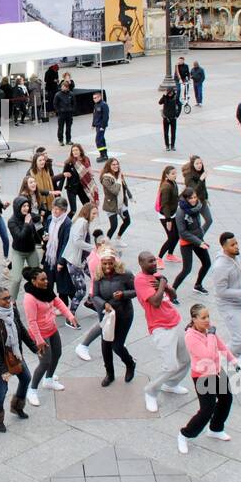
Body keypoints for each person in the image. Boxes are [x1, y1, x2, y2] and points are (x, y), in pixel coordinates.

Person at [176, 304, 236, 454]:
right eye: (203, 318)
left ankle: (215, 429)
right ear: (194, 319)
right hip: (203, 377)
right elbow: (208, 355)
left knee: (226, 399)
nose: (207, 320)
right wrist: (210, 335)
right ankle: (184, 434)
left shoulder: (208, 330)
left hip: (217, 371)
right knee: (206, 410)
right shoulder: (190, 337)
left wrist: (233, 361)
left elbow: (220, 345)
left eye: (208, 316)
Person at [135, 251, 189, 413]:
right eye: (150, 261)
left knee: (185, 359)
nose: (154, 264)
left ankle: (171, 384)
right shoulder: (140, 280)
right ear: (141, 264)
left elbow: (173, 295)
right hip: (160, 327)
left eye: (154, 261)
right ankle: (151, 391)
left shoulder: (157, 276)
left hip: (175, 320)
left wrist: (166, 286)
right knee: (170, 366)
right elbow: (156, 302)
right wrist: (162, 284)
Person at [0, 283, 37, 429]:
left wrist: (34, 348)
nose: (8, 301)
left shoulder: (12, 310)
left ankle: (17, 406)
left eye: (9, 298)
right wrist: (3, 371)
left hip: (14, 354)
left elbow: (20, 328)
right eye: (4, 299)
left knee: (26, 378)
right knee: (2, 389)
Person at [21, 266, 74, 406]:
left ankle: (49, 380)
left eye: (46, 278)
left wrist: (69, 315)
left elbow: (57, 302)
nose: (46, 281)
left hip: (52, 329)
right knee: (45, 362)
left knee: (57, 354)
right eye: (42, 279)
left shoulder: (47, 290)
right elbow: (31, 321)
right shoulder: (29, 298)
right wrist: (38, 340)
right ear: (33, 281)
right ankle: (32, 390)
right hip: (39, 335)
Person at [89, 251, 137, 387]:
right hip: (108, 315)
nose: (108, 266)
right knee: (105, 345)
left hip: (124, 314)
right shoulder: (98, 276)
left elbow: (136, 291)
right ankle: (109, 374)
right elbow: (95, 296)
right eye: (105, 263)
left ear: (115, 263)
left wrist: (123, 294)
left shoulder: (125, 274)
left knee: (117, 345)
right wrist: (105, 304)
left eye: (111, 263)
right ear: (101, 264)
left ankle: (130, 363)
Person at [170, 188, 211, 295]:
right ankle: (172, 291)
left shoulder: (196, 207)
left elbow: (198, 226)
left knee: (207, 263)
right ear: (185, 198)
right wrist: (199, 242)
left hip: (198, 240)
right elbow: (182, 232)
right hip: (187, 242)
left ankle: (198, 285)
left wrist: (201, 240)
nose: (193, 200)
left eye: (194, 197)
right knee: (187, 269)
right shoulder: (181, 212)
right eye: (190, 198)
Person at [6, 194, 42, 300]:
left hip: (31, 250)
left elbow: (38, 217)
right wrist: (26, 223)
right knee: (16, 279)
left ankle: (38, 296)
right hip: (19, 252)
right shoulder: (12, 221)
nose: (26, 208)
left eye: (27, 206)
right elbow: (20, 237)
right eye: (23, 206)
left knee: (37, 275)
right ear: (17, 207)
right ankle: (12, 302)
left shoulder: (28, 214)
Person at [99, 157, 133, 247]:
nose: (116, 166)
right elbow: (115, 191)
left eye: (117, 164)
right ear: (109, 166)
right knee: (114, 226)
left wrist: (130, 196)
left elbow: (125, 186)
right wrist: (118, 180)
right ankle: (105, 244)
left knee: (127, 221)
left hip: (121, 203)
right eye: (113, 164)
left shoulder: (119, 175)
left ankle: (118, 239)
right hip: (111, 205)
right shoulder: (105, 178)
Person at [60, 144, 97, 216]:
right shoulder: (69, 162)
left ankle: (84, 222)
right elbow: (63, 176)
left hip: (83, 187)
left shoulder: (86, 159)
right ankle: (66, 224)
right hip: (72, 188)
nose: (75, 152)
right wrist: (59, 190)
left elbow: (89, 174)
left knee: (87, 207)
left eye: (76, 150)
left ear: (80, 151)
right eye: (73, 150)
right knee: (73, 210)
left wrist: (93, 186)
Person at [159, 84, 182, 150]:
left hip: (173, 118)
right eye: (168, 92)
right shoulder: (165, 97)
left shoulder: (175, 97)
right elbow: (160, 102)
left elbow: (180, 105)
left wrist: (177, 115)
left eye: (171, 92)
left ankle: (172, 145)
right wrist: (163, 96)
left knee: (173, 133)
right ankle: (167, 145)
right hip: (166, 117)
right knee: (166, 133)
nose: (170, 94)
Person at [54, 80, 76, 145]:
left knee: (68, 128)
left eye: (64, 87)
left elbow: (74, 103)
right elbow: (55, 104)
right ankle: (60, 141)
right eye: (62, 87)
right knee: (60, 128)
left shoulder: (71, 94)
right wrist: (59, 111)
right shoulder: (58, 94)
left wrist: (72, 110)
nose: (63, 88)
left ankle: (68, 140)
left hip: (69, 114)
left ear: (67, 87)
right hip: (61, 114)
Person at [92, 90, 110, 161]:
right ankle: (104, 155)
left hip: (101, 126)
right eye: (93, 98)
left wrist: (103, 126)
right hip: (97, 125)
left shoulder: (104, 105)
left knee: (98, 141)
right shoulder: (96, 105)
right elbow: (95, 115)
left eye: (95, 98)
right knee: (102, 140)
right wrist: (93, 124)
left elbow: (105, 117)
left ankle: (102, 155)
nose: (94, 99)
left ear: (100, 97)